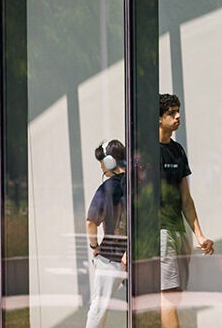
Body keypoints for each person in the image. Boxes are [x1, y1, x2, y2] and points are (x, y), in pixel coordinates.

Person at [159, 93, 214, 328]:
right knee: (168, 294)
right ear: (159, 118)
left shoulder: (178, 150)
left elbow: (186, 199)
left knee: (176, 293)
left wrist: (199, 235)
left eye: (178, 111)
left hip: (178, 229)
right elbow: (133, 198)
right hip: (158, 232)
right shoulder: (145, 151)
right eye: (171, 112)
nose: (178, 116)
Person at [85, 139, 127, 328]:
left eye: (102, 160)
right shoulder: (137, 185)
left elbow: (90, 223)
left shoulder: (106, 188)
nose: (101, 165)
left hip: (111, 258)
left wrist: (94, 246)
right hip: (135, 257)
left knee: (98, 308)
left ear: (110, 162)